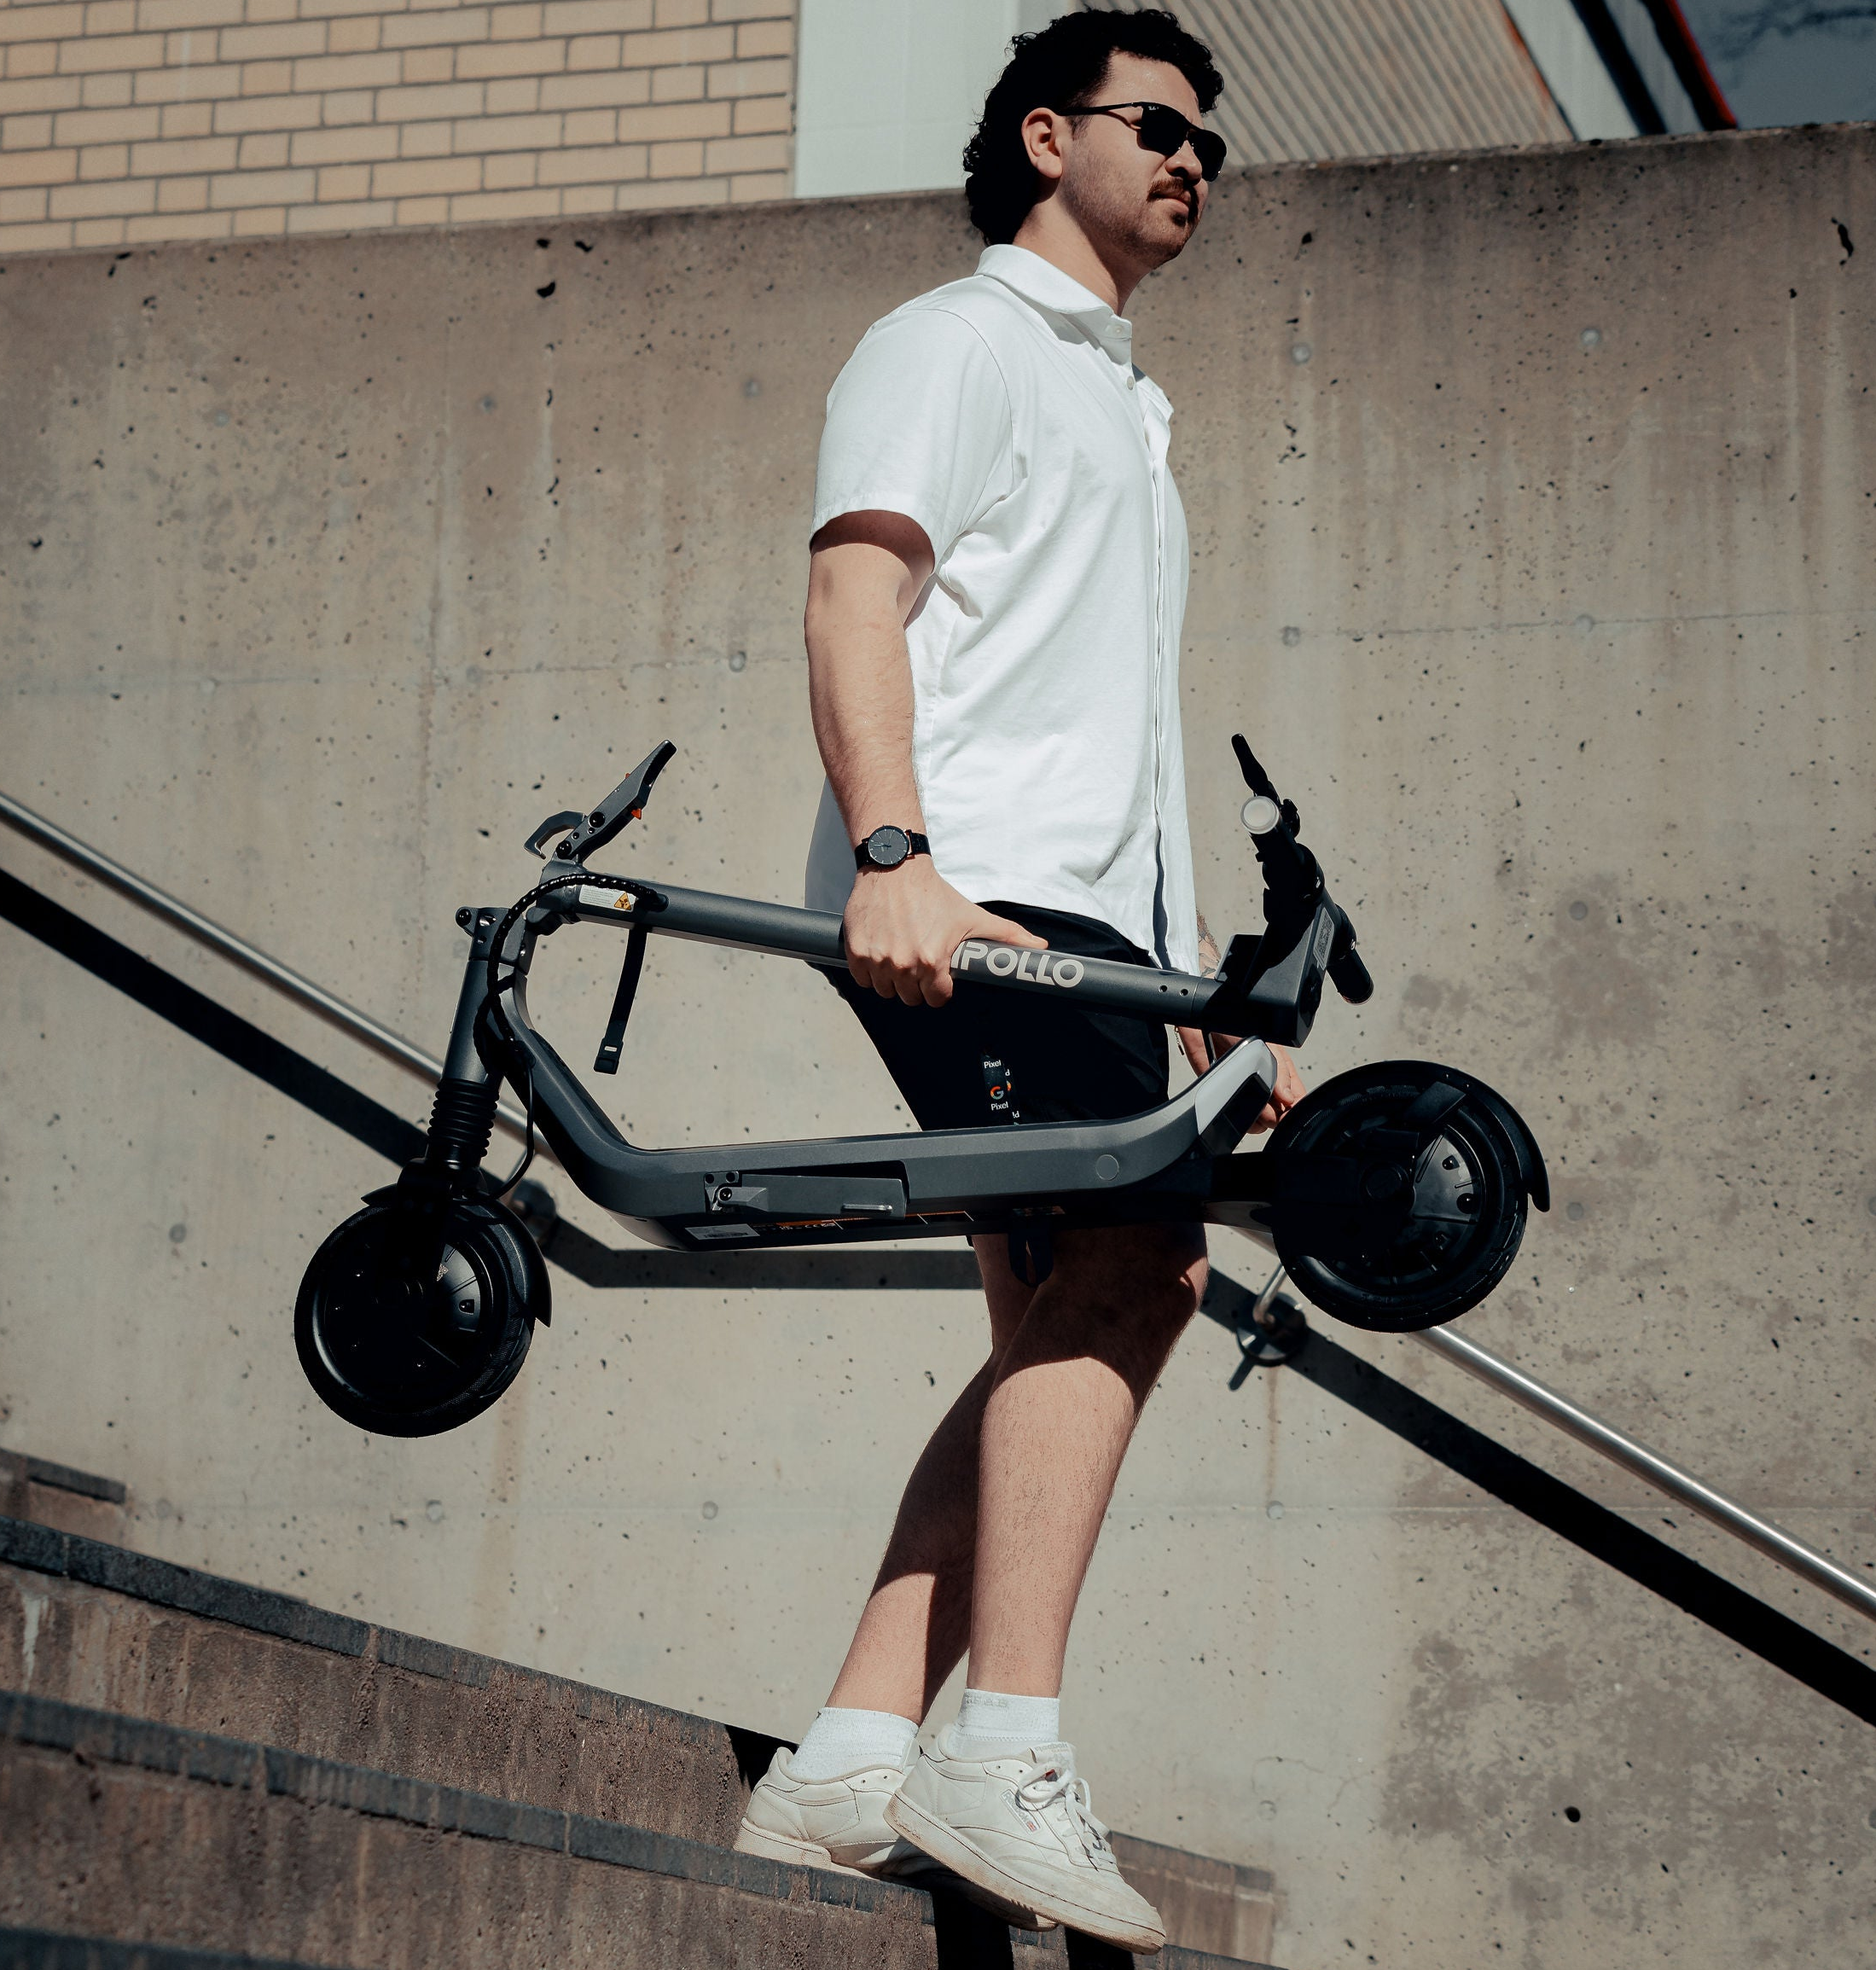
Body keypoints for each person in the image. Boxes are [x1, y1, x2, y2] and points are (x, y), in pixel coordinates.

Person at [735, 12, 1306, 1951]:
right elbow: (850, 589)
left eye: (1207, 141)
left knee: (1051, 1321)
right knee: (1143, 1263)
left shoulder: (1123, 408)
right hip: (969, 908)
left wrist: (1198, 1012)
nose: (1191, 161)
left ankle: (853, 1743)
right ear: (1044, 135)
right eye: (1157, 126)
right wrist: (892, 853)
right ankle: (1005, 1743)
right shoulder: (952, 342)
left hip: (1088, 933)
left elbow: (1117, 741)